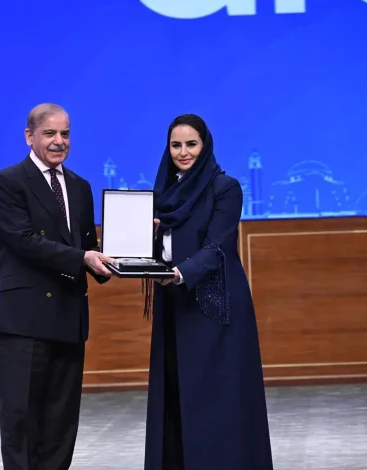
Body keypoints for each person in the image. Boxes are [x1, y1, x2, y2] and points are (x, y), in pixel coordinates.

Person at [0, 103, 115, 470]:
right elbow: (23, 241)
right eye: (50, 133)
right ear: (29, 137)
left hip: (68, 315)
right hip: (24, 319)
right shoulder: (9, 182)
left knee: (61, 419)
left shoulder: (79, 186)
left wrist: (123, 258)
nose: (59, 141)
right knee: (22, 417)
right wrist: (83, 258)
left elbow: (87, 245)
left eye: (65, 134)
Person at [142, 114, 274, 469]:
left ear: (205, 145)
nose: (183, 152)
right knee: (176, 392)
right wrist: (145, 242)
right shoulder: (162, 195)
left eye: (191, 144)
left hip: (214, 306)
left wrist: (180, 273)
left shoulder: (224, 188)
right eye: (176, 145)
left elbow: (218, 247)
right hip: (174, 304)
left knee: (217, 399)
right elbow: (160, 251)